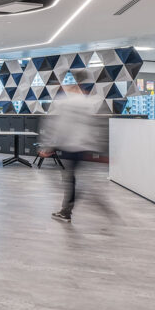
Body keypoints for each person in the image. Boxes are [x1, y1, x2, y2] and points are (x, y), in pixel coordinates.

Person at [39, 87, 107, 223]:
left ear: (76, 86)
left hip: (70, 146)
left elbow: (60, 126)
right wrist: (98, 146)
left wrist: (49, 146)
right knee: (71, 178)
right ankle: (74, 205)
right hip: (84, 146)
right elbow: (96, 125)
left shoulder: (66, 102)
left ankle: (67, 210)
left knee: (69, 179)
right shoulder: (88, 103)